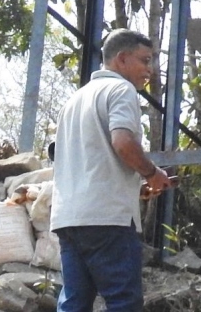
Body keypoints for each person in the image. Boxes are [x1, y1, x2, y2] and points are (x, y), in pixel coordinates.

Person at [50, 30, 174, 312]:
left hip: (69, 218)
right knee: (123, 301)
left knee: (74, 303)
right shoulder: (121, 90)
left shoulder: (75, 100)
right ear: (121, 59)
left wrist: (133, 186)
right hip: (107, 219)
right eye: (144, 61)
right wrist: (151, 173)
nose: (149, 70)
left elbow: (88, 160)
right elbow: (122, 141)